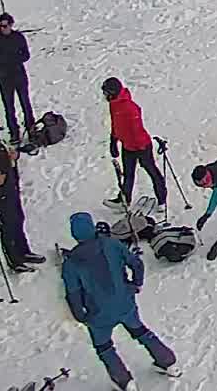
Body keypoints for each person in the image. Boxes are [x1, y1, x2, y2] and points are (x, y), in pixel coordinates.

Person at [58, 212, 179, 386]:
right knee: (141, 331)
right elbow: (136, 263)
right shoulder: (111, 244)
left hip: (98, 313)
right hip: (124, 301)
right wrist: (136, 284)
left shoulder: (71, 263)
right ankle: (167, 362)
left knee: (104, 347)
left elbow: (73, 293)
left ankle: (124, 381)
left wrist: (81, 316)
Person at [0, 118, 39, 272]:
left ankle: (24, 251)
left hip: (10, 189)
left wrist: (14, 157)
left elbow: (6, 161)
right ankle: (15, 261)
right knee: (7, 228)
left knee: (18, 220)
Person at [102, 79, 165, 210]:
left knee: (152, 172)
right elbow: (116, 124)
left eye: (106, 93)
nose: (104, 95)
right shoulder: (114, 104)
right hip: (127, 146)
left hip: (142, 146)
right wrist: (113, 140)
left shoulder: (130, 108)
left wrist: (139, 149)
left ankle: (162, 200)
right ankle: (124, 200)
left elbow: (136, 130)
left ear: (113, 93)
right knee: (128, 175)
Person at [0, 14, 31, 142]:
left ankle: (31, 127)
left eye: (5, 26)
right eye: (1, 26)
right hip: (4, 77)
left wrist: (14, 59)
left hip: (19, 74)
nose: (3, 28)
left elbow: (26, 55)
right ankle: (14, 131)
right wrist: (7, 60)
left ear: (11, 25)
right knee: (9, 106)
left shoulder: (18, 37)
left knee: (25, 103)